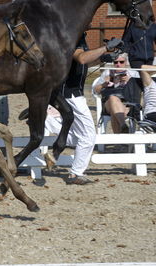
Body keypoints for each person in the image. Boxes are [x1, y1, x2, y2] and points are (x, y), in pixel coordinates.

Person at [46, 33, 124, 185]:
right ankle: (75, 174)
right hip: (71, 94)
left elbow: (82, 62)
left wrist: (104, 57)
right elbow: (81, 58)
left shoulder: (78, 34)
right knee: (88, 136)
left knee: (81, 136)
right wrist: (106, 47)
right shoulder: (72, 35)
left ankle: (47, 120)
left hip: (72, 93)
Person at [93, 53, 139, 133]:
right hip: (108, 102)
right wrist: (104, 84)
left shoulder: (133, 73)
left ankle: (120, 141)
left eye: (121, 62)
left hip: (127, 103)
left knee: (114, 112)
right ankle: (123, 125)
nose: (118, 64)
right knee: (113, 98)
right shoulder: (107, 73)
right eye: (115, 62)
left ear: (126, 63)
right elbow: (95, 91)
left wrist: (130, 81)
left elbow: (140, 90)